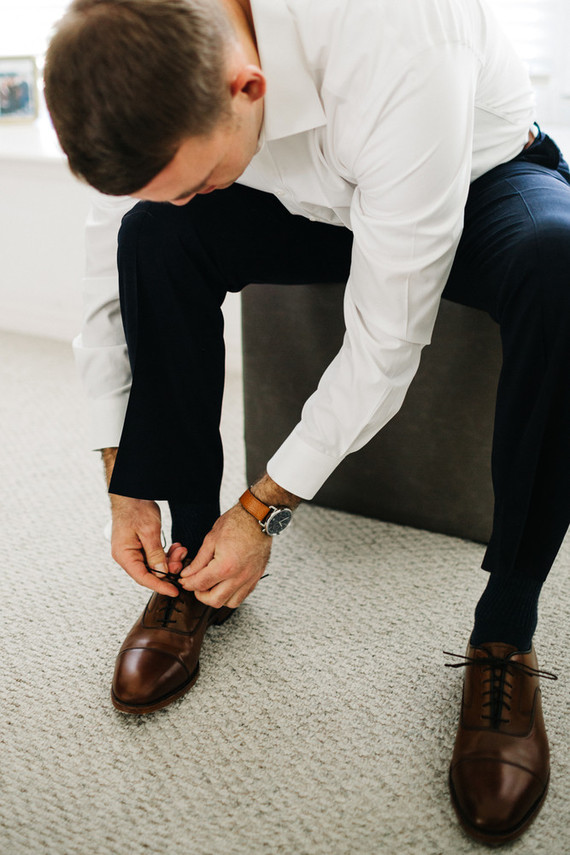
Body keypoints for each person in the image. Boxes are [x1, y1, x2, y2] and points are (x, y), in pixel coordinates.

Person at [44, 0, 569, 844]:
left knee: (560, 267)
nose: (191, 199)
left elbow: (387, 335)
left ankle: (505, 632)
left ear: (246, 85)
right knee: (155, 235)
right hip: (312, 197)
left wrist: (263, 508)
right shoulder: (141, 49)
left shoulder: (397, 37)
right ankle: (189, 565)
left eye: (199, 182)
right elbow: (114, 260)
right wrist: (120, 474)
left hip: (476, 179)